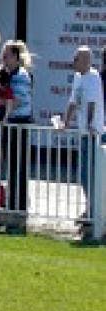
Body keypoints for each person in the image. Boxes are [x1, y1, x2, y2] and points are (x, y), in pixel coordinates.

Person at [61, 46, 103, 220]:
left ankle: (94, 210)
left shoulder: (93, 77)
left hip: (93, 133)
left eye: (77, 58)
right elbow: (73, 101)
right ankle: (90, 207)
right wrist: (65, 122)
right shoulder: (78, 77)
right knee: (84, 173)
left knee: (91, 173)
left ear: (86, 60)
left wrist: (89, 125)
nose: (74, 62)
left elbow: (92, 103)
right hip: (83, 132)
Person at [0, 39, 34, 214]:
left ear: (17, 58)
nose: (4, 59)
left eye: (8, 56)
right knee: (10, 163)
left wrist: (0, 102)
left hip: (20, 123)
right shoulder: (7, 75)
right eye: (3, 55)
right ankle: (13, 201)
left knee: (18, 164)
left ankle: (18, 204)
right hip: (10, 122)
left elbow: (17, 101)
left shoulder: (20, 76)